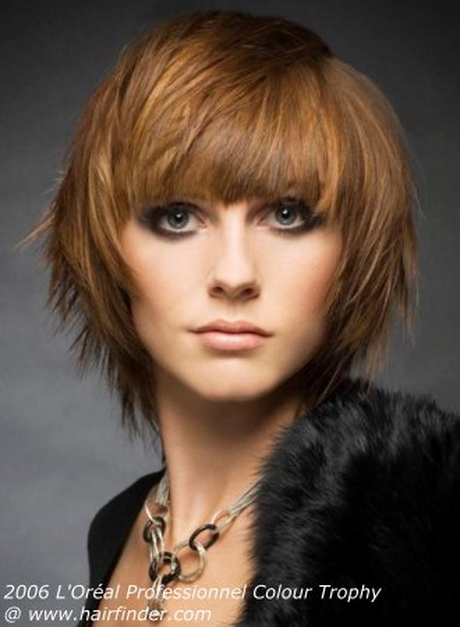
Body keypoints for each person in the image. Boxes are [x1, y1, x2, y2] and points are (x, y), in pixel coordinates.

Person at [34, 10, 460, 626]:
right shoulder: (120, 526)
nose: (234, 275)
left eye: (287, 215)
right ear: (104, 247)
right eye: (177, 216)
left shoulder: (421, 521)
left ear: (354, 251)